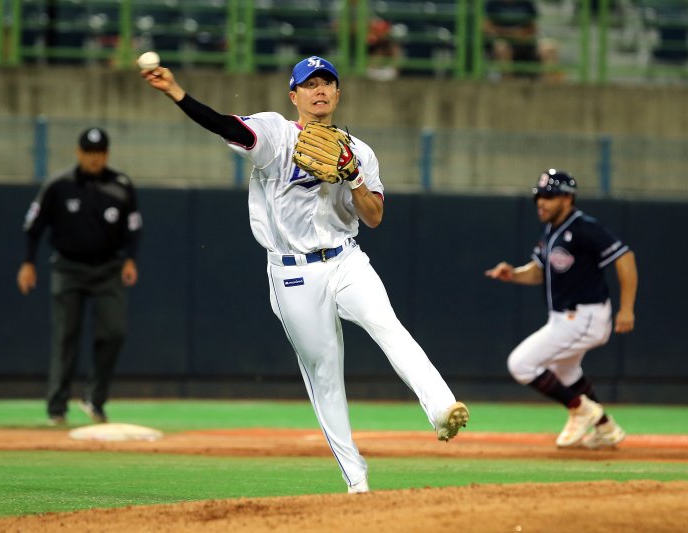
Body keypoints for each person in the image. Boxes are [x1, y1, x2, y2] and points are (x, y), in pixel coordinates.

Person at [139, 55, 469, 493]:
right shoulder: (275, 132)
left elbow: (373, 218)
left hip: (346, 259)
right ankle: (356, 480)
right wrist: (177, 93)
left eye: (326, 83)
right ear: (293, 95)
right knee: (325, 376)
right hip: (294, 272)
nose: (319, 90)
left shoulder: (361, 152)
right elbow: (227, 126)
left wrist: (353, 177)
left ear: (337, 93)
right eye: (309, 84)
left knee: (388, 326)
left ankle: (442, 409)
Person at [484, 169, 637, 450]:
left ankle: (582, 409)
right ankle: (605, 428)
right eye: (538, 197)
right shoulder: (552, 230)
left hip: (586, 317)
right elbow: (538, 271)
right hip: (565, 319)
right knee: (565, 373)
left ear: (567, 199)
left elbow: (625, 257)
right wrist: (514, 273)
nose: (541, 202)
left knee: (521, 364)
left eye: (549, 196)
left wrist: (627, 308)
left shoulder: (584, 227)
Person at [17, 127, 142, 426]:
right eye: (89, 152)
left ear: (107, 155)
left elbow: (134, 228)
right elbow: (33, 225)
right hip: (68, 268)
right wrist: (27, 262)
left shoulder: (121, 185)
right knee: (65, 338)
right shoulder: (59, 185)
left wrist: (130, 261)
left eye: (99, 153)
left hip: (108, 269)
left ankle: (94, 400)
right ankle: (56, 409)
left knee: (114, 332)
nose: (94, 159)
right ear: (78, 152)